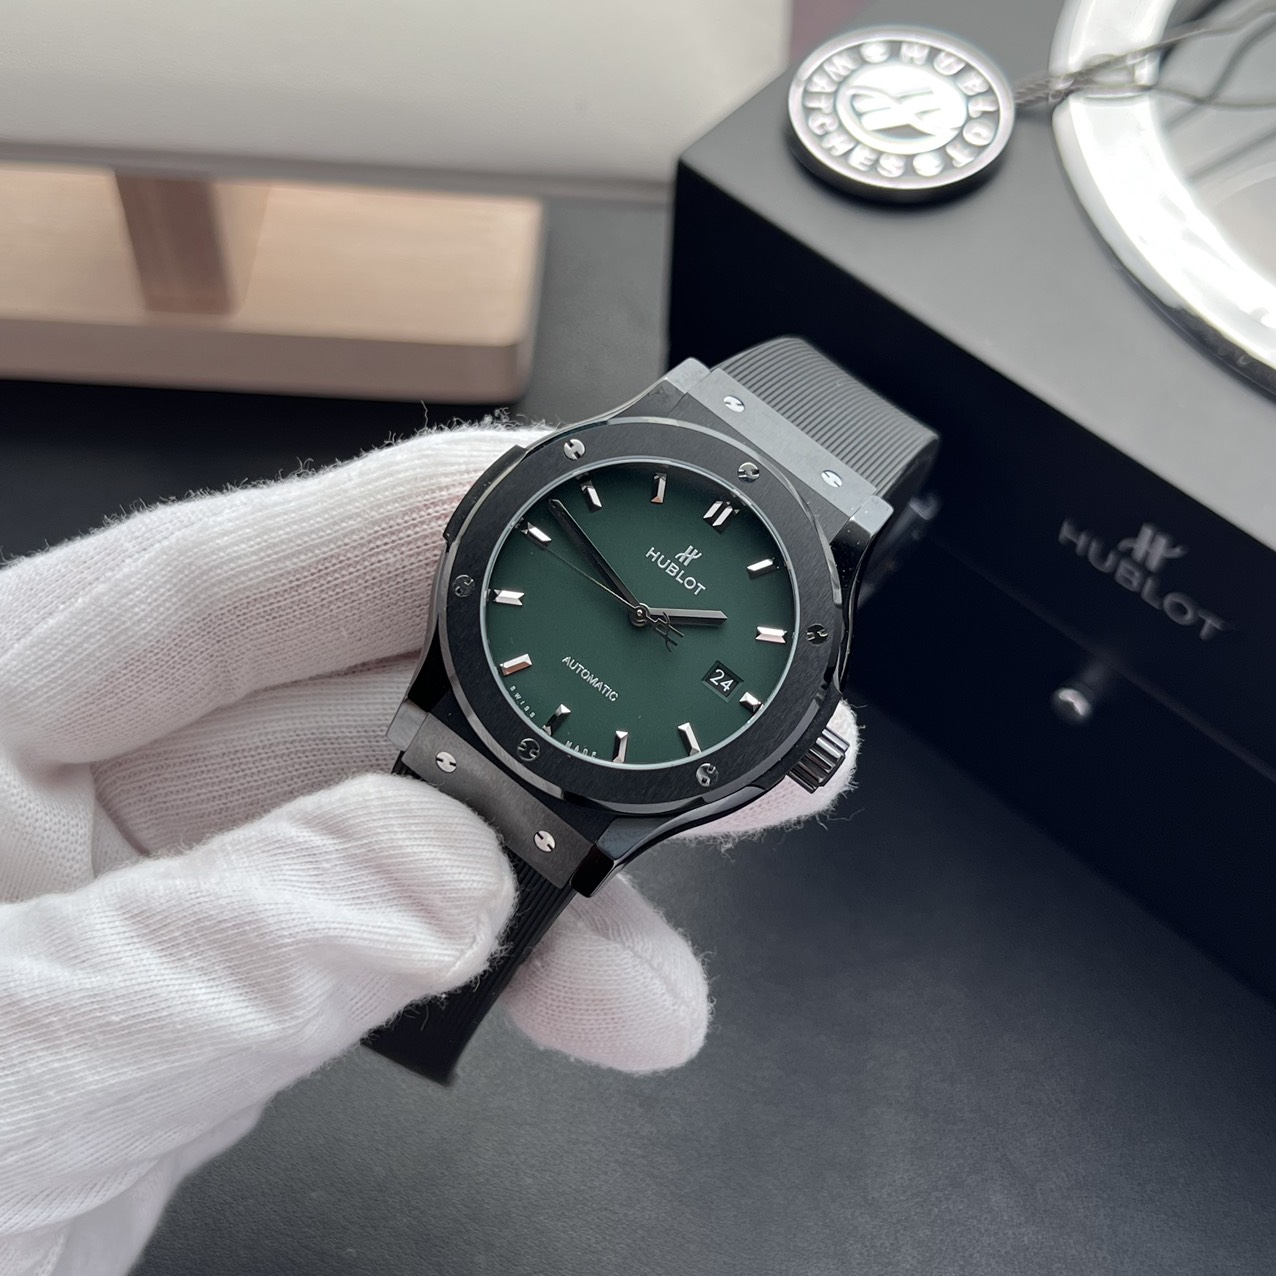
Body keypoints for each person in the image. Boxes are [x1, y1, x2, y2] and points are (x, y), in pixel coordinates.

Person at [0, 424, 856, 1275]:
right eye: (639, 608)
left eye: (653, 620)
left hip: (564, 774)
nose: (642, 617)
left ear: (791, 737)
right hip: (481, 713)